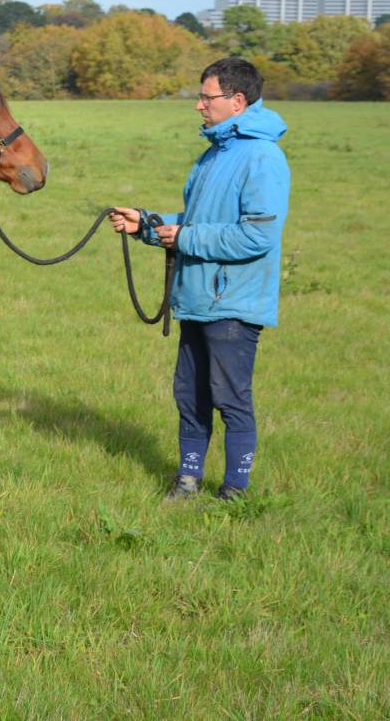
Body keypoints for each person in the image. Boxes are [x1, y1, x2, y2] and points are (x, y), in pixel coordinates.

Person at [110, 57, 290, 501]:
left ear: (236, 101)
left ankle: (235, 492)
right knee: (189, 395)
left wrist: (186, 236)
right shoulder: (215, 153)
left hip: (232, 301)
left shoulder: (262, 157)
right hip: (196, 296)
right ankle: (188, 480)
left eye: (205, 97)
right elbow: (196, 221)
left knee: (229, 398)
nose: (198, 106)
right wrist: (147, 225)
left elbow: (258, 234)